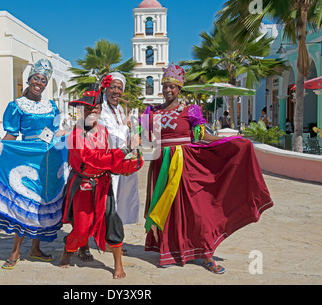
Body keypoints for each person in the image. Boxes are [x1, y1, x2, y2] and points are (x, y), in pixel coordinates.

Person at [142, 63, 273, 274]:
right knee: (167, 209)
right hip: (161, 166)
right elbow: (147, 139)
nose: (167, 90)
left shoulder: (189, 111)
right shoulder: (152, 112)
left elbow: (201, 135)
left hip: (185, 165)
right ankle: (171, 250)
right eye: (165, 85)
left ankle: (206, 254)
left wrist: (229, 142)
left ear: (179, 88)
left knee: (197, 210)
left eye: (172, 86)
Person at [0, 59, 68, 270]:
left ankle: (35, 249)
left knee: (40, 203)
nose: (40, 83)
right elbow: (11, 134)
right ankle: (16, 250)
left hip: (49, 158)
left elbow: (54, 131)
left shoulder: (52, 106)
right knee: (24, 202)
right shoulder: (16, 106)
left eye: (44, 80)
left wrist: (62, 137)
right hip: (26, 157)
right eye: (36, 78)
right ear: (29, 80)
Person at [59, 84, 144, 279]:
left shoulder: (104, 131)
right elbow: (92, 158)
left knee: (113, 223)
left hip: (103, 185)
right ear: (82, 110)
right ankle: (68, 250)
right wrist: (125, 150)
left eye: (95, 108)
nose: (91, 111)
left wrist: (128, 166)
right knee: (81, 229)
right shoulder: (77, 133)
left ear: (100, 109)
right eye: (87, 108)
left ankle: (118, 265)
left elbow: (107, 162)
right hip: (82, 186)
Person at [98, 72, 140, 226]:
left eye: (120, 88)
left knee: (120, 199)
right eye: (112, 87)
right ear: (105, 88)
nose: (116, 91)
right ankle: (107, 238)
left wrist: (129, 127)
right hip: (107, 161)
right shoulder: (100, 108)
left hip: (121, 159)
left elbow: (124, 132)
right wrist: (126, 126)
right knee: (108, 200)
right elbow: (108, 132)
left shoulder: (120, 109)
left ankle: (114, 236)